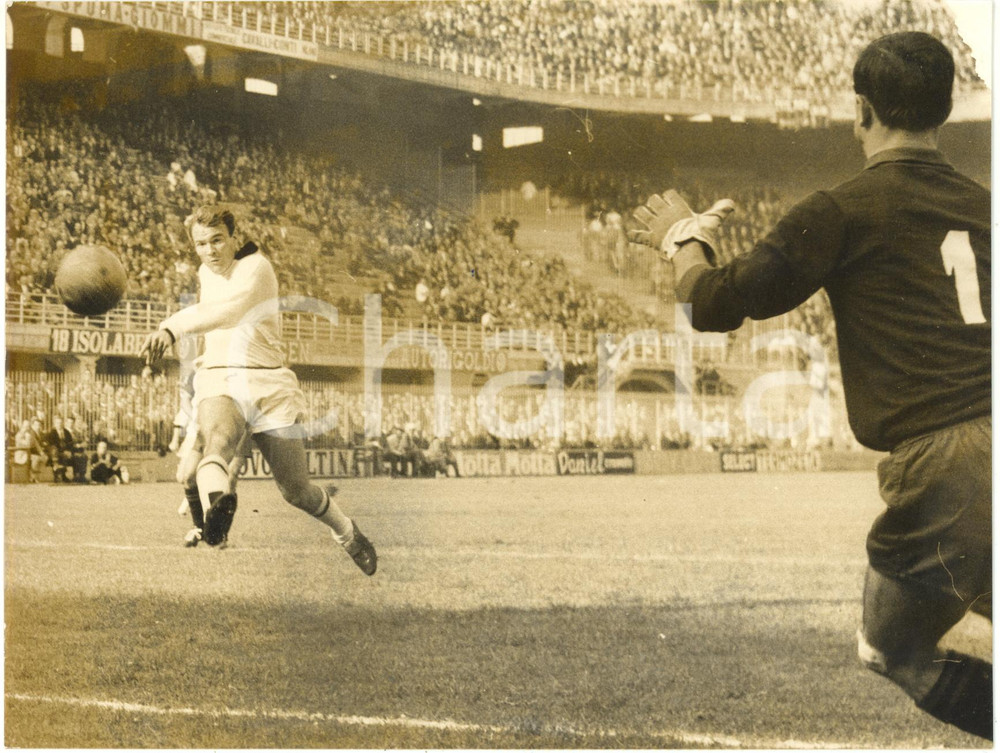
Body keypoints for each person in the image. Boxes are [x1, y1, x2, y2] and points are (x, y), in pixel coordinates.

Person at [632, 32, 990, 740]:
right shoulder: (988, 206)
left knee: (891, 646)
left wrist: (685, 240)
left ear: (862, 110)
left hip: (951, 464)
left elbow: (712, 303)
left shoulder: (842, 208)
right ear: (945, 110)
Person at [141, 205, 376, 574]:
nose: (210, 250)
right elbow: (212, 315)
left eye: (217, 240)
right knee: (217, 441)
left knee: (296, 490)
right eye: (201, 244)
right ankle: (217, 516)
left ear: (235, 238)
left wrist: (171, 327)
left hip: (269, 382)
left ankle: (348, 534)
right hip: (221, 374)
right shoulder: (206, 271)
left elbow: (230, 311)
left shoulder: (257, 267)